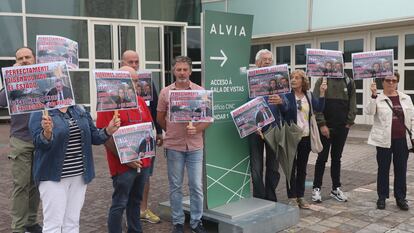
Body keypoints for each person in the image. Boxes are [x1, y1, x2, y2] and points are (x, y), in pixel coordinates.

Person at [29, 105, 119, 233]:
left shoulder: (79, 109)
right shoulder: (40, 111)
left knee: (72, 222)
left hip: (79, 175)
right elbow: (38, 143)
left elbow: (94, 137)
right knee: (53, 224)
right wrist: (47, 133)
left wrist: (108, 130)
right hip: (52, 176)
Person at [96, 66, 154, 233]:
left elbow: (148, 127)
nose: (137, 84)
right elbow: (104, 136)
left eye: (137, 80)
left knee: (136, 201)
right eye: (132, 81)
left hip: (143, 162)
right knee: (120, 203)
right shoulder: (108, 103)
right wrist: (126, 158)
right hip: (122, 166)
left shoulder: (141, 101)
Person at [157, 56, 210, 233]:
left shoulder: (200, 91)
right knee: (175, 186)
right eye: (178, 69)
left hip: (195, 146)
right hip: (174, 146)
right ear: (173, 71)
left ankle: (196, 221)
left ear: (190, 71)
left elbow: (208, 119)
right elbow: (160, 118)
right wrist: (172, 130)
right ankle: (178, 222)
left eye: (185, 69)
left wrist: (197, 129)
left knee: (196, 185)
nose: (182, 73)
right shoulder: (165, 92)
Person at [0, 47, 42, 233]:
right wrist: (12, 77)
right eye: (20, 58)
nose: (24, 60)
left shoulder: (43, 77)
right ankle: (18, 227)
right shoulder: (13, 80)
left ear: (34, 59)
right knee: (21, 184)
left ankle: (31, 222)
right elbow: (1, 101)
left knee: (36, 184)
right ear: (16, 61)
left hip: (42, 138)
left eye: (27, 57)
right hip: (21, 138)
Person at [122, 50, 162, 224]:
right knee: (125, 178)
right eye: (130, 62)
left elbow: (154, 108)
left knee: (145, 176)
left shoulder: (147, 81)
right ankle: (126, 214)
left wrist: (159, 131)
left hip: (145, 138)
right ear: (122, 63)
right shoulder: (114, 85)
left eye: (136, 61)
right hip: (124, 140)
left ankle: (143, 209)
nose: (135, 65)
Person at [249, 49, 293, 202]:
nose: (268, 61)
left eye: (270, 59)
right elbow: (245, 106)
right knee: (256, 167)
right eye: (264, 59)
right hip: (255, 130)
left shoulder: (280, 82)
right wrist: (254, 125)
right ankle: (259, 197)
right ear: (257, 63)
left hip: (274, 130)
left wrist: (281, 102)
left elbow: (288, 107)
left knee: (273, 167)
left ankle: (270, 196)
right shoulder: (250, 81)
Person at [365, 72, 413, 211]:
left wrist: (413, 136)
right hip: (383, 140)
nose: (391, 83)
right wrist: (373, 95)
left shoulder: (405, 98)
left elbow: (412, 118)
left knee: (401, 170)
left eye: (394, 80)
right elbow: (369, 111)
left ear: (397, 82)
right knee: (383, 170)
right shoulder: (378, 98)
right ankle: (382, 197)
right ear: (383, 82)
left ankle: (400, 198)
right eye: (388, 80)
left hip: (402, 140)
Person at [311, 70, 357, 203]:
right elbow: (316, 104)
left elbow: (353, 103)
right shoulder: (322, 81)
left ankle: (336, 188)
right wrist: (322, 124)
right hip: (325, 127)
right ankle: (316, 188)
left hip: (342, 127)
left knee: (337, 158)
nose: (337, 66)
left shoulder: (349, 81)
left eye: (340, 63)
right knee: (322, 158)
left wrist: (349, 121)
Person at [286, 70, 326, 208]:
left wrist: (322, 93)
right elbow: (284, 111)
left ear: (303, 81)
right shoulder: (286, 95)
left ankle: (300, 197)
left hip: (305, 136)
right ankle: (291, 197)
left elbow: (319, 108)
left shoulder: (308, 95)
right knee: (290, 168)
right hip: (291, 136)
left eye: (297, 78)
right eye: (292, 78)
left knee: (302, 168)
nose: (293, 80)